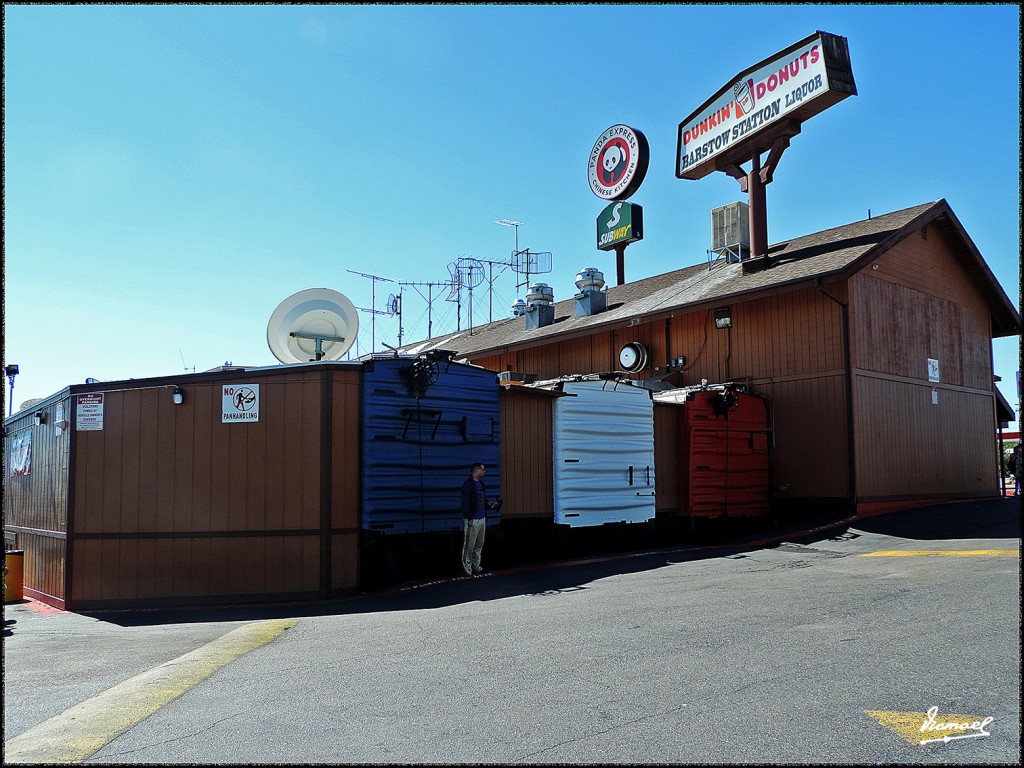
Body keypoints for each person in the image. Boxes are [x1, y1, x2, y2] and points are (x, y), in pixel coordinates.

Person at [460, 462, 497, 576]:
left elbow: (481, 499)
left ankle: (476, 565)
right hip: (473, 519)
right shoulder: (468, 485)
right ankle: (467, 566)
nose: (484, 472)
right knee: (469, 544)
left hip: (481, 518)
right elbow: (465, 502)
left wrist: (488, 504)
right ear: (477, 471)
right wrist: (469, 517)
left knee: (479, 543)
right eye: (483, 470)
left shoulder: (480, 484)